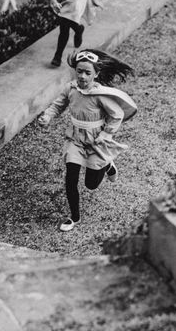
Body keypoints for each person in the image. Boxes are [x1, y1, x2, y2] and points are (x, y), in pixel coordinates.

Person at [38, 49, 137, 232]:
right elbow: (58, 105)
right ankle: (74, 217)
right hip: (75, 139)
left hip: (95, 141)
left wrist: (107, 134)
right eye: (79, 71)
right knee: (71, 177)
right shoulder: (71, 88)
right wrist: (48, 116)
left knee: (91, 185)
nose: (82, 76)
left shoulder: (100, 94)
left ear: (96, 74)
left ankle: (107, 165)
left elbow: (117, 114)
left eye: (87, 72)